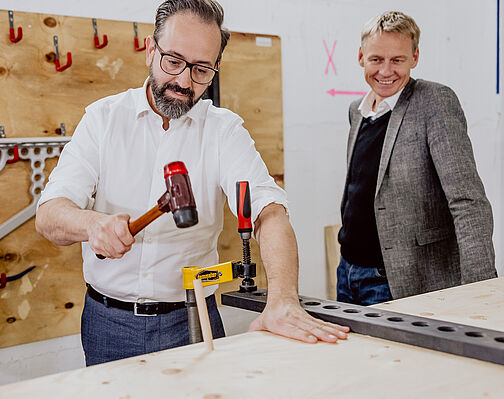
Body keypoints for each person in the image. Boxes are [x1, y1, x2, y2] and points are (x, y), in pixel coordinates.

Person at [36, 0, 348, 365]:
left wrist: (282, 300)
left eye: (201, 69)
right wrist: (92, 224)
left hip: (194, 321)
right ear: (151, 50)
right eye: (174, 61)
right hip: (109, 324)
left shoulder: (223, 131)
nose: (184, 82)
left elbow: (270, 213)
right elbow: (50, 216)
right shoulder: (102, 120)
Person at [337, 11, 497, 306]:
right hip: (348, 272)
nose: (386, 70)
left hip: (398, 278)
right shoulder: (356, 111)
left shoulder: (434, 101)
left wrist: (481, 289)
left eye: (397, 60)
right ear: (361, 57)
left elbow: (467, 201)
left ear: (415, 56)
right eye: (376, 59)